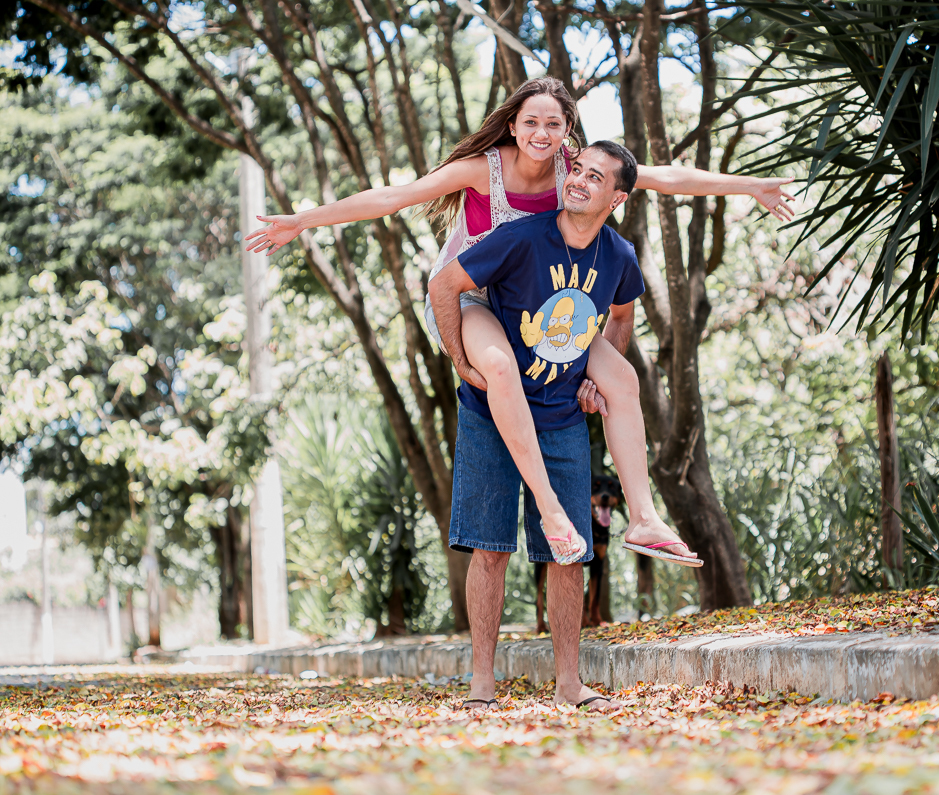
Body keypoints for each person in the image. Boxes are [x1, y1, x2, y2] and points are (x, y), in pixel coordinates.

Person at [244, 77, 795, 566]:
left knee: (623, 380)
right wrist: (302, 220)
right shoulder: (481, 171)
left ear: (567, 131)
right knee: (501, 370)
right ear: (513, 125)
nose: (541, 131)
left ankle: (645, 518)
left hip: (538, 307)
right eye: (530, 121)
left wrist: (747, 186)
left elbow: (664, 178)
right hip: (474, 300)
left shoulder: (577, 170)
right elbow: (392, 197)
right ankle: (553, 514)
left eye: (553, 123)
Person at [429, 140, 643, 711]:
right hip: (491, 413)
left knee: (568, 553)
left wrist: (599, 377)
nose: (578, 180)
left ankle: (570, 684)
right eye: (579, 170)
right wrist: (461, 359)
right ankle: (481, 684)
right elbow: (444, 284)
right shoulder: (522, 236)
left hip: (562, 417)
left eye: (595, 178)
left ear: (616, 198)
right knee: (490, 550)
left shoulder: (618, 257)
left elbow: (621, 313)